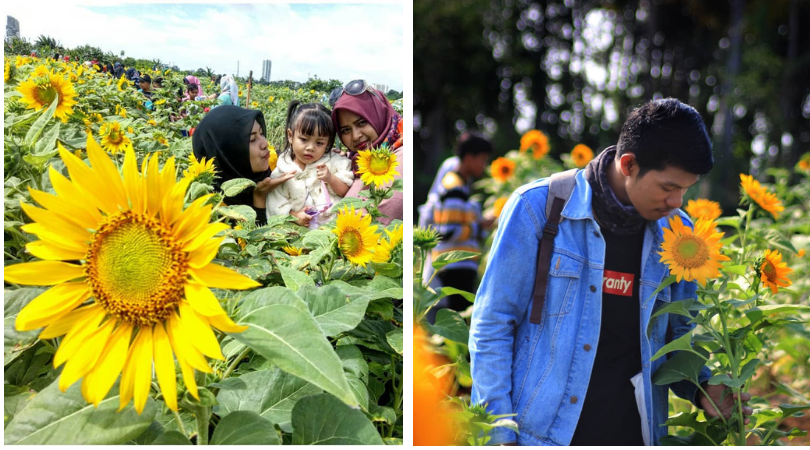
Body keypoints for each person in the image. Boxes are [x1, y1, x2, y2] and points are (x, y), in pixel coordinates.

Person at [469, 98, 753, 446]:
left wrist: (702, 387)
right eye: (668, 187)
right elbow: (492, 326)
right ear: (629, 164)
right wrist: (499, 436)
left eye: (685, 188)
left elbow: (675, 341)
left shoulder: (679, 233)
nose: (677, 201)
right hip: (543, 436)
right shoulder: (539, 209)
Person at [422, 132, 494, 319]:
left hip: (458, 266)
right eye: (483, 159)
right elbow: (448, 231)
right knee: (459, 324)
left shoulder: (460, 185)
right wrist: (480, 226)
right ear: (469, 157)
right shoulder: (454, 187)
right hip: (454, 267)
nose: (484, 166)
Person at [192, 105, 294, 227]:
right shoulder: (212, 210)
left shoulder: (278, 167)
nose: (265, 143)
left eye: (261, 134)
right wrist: (259, 198)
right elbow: (256, 243)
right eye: (252, 139)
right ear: (228, 152)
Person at [266, 102, 354, 228]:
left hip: (331, 233)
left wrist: (330, 178)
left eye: (319, 143)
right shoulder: (282, 171)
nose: (310, 148)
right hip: (296, 238)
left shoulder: (335, 163)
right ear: (290, 136)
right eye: (304, 139)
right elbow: (275, 205)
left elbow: (346, 191)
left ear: (328, 143)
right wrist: (294, 216)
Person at [331, 80, 403, 225]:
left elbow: (372, 222)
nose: (355, 136)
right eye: (346, 130)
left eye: (362, 122)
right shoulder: (358, 161)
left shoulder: (399, 159)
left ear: (379, 115)